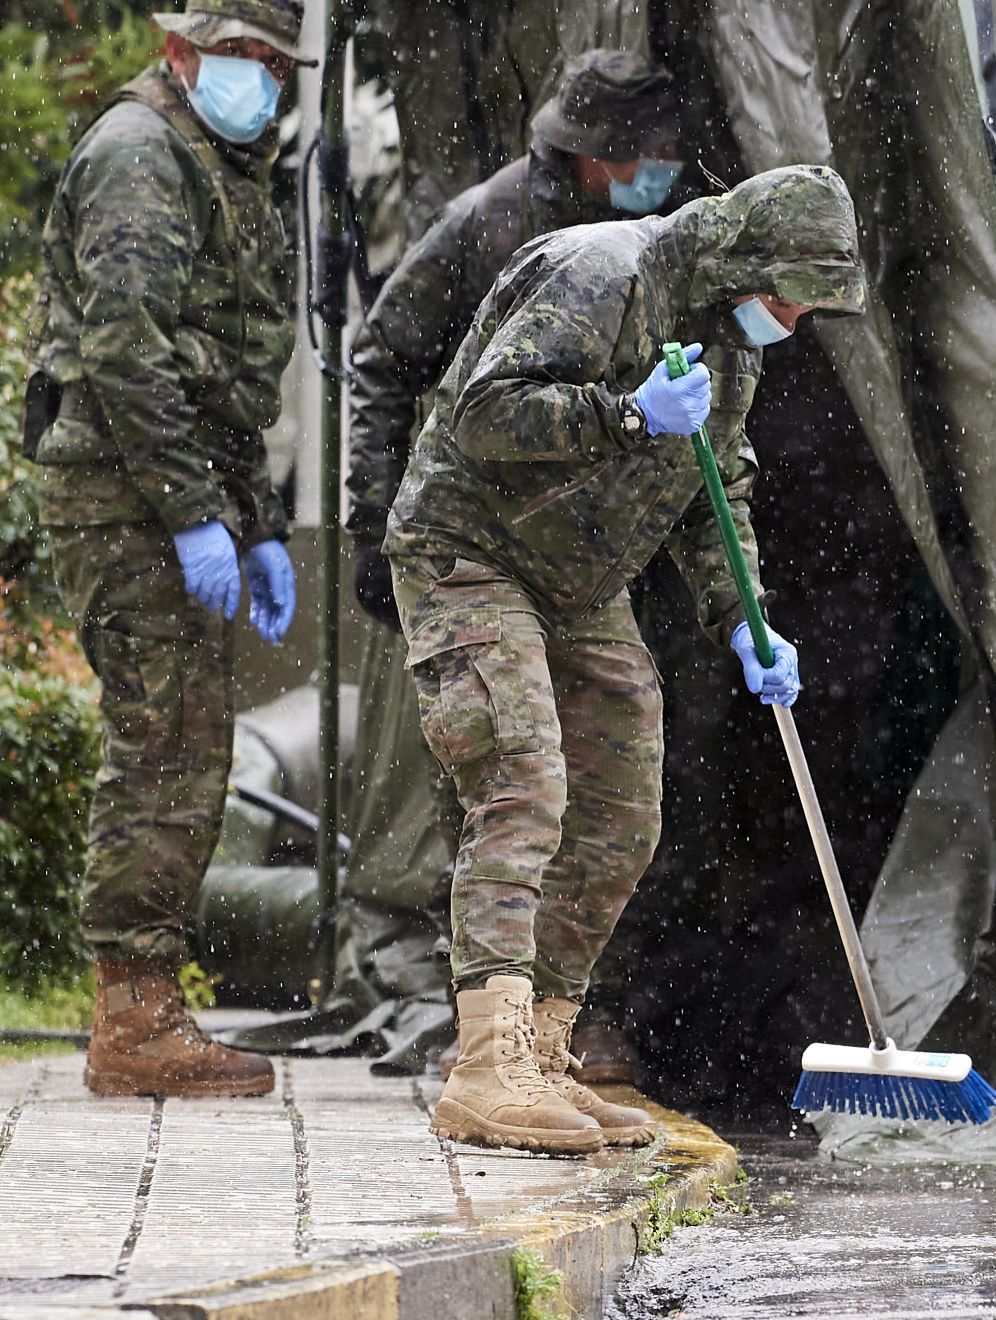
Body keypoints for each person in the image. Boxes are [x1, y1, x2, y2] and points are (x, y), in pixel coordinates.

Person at [385, 164, 865, 1153]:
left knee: (620, 808)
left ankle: (543, 1053)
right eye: (788, 299)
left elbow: (713, 486)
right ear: (741, 260)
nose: (792, 320)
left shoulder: (734, 347)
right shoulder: (599, 275)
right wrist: (630, 415)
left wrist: (746, 616)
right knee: (522, 780)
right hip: (470, 550)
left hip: (581, 581)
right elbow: (484, 411)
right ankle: (484, 1062)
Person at [237, 52, 686, 1073]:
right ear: (594, 155)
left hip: (575, 548)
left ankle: (563, 1016)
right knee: (492, 778)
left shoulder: (650, 234)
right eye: (645, 157)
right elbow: (384, 362)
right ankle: (475, 1018)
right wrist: (368, 527)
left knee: (601, 787)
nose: (662, 172)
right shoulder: (488, 223)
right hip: (466, 540)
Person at [29, 0, 308, 1098]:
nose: (263, 80)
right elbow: (130, 357)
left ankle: (144, 1002)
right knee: (163, 743)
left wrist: (260, 525)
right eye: (245, 54)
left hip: (175, 496)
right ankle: (133, 1017)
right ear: (185, 51)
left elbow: (230, 371)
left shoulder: (227, 166)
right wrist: (201, 518)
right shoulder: (143, 155)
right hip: (122, 494)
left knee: (189, 743)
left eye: (281, 66)